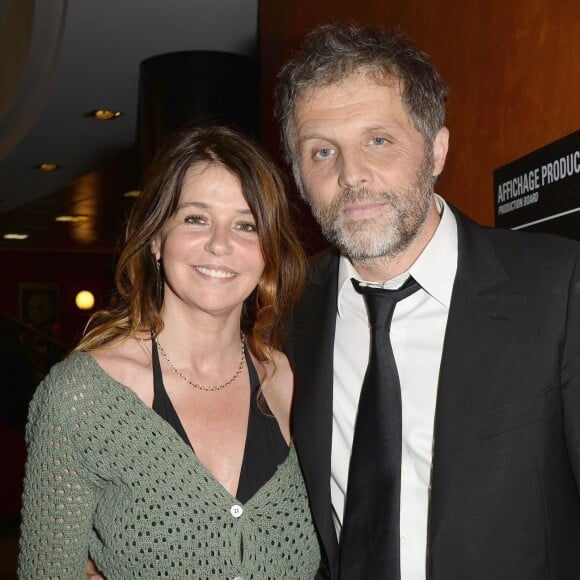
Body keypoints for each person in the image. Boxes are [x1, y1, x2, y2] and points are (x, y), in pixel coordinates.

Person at [275, 23, 580, 580]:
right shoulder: (289, 310)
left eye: (378, 140)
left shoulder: (559, 288)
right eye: (322, 151)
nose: (351, 175)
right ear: (299, 177)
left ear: (436, 149)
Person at [18, 123, 322, 578]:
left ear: (267, 253)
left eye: (245, 225)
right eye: (196, 218)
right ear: (157, 239)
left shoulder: (293, 382)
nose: (220, 244)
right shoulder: (81, 398)